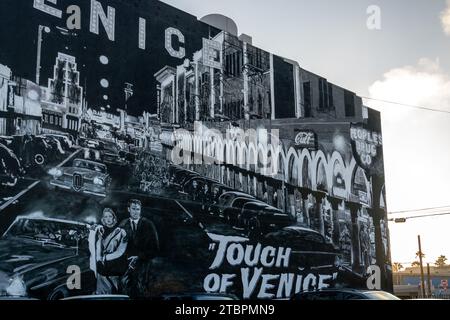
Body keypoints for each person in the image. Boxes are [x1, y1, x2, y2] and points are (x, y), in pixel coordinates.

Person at [120, 199, 159, 299]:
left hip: (143, 268)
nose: (136, 212)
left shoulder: (148, 225)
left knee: (141, 293)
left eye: (138, 209)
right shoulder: (123, 224)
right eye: (133, 209)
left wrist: (139, 257)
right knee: (124, 293)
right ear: (128, 209)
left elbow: (155, 248)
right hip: (125, 266)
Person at [89, 208, 128, 295]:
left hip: (114, 267)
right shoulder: (99, 231)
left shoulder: (121, 232)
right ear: (103, 218)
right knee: (101, 294)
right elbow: (96, 248)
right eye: (106, 216)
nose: (108, 219)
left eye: (110, 216)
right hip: (101, 267)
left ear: (114, 218)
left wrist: (104, 258)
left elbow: (120, 251)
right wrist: (99, 259)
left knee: (113, 292)